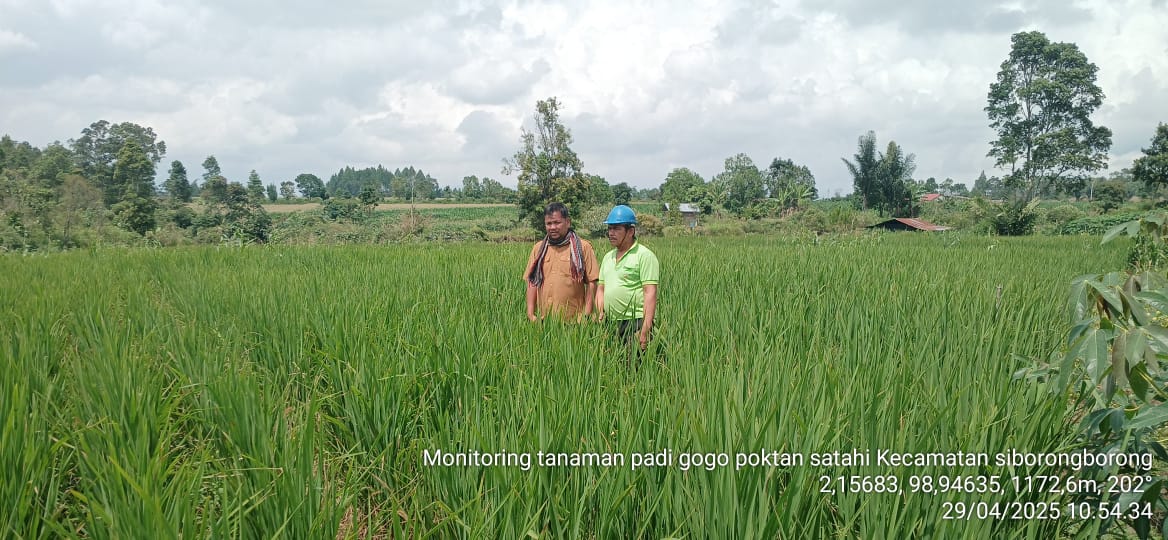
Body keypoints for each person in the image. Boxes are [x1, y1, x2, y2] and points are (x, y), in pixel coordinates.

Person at [596, 205, 660, 352]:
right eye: (610, 229)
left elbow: (650, 293)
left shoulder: (644, 256)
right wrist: (600, 311)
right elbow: (601, 289)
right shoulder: (608, 257)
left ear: (631, 231)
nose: (611, 233)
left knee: (633, 368)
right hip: (610, 323)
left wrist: (645, 328)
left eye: (617, 229)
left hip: (635, 322)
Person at [523, 202, 600, 322]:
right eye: (549, 223)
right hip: (545, 321)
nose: (552, 227)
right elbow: (532, 281)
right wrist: (530, 313)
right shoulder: (539, 249)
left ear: (567, 222)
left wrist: (587, 314)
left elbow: (592, 282)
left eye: (557, 222)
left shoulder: (583, 247)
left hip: (575, 322)